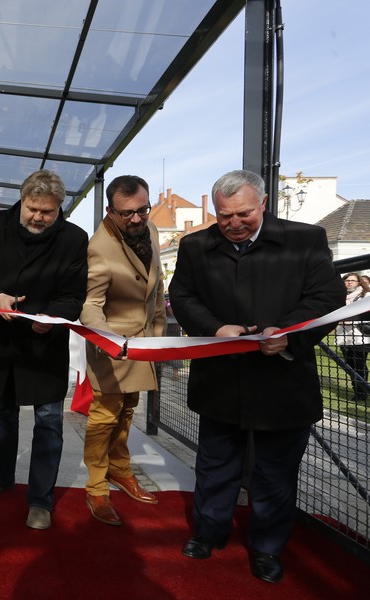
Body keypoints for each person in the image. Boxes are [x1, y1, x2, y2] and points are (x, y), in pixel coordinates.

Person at [168, 169, 345, 583]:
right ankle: (208, 531)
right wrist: (215, 328)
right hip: (221, 378)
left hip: (282, 380)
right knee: (215, 465)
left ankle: (267, 547)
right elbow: (182, 296)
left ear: (263, 203)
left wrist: (288, 333)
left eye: (243, 214)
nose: (233, 223)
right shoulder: (195, 246)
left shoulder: (305, 239)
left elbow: (327, 297)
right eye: (224, 216)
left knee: (275, 473)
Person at [0, 169, 88, 530]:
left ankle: (40, 499)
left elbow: (74, 295)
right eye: (32, 209)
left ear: (59, 207)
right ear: (22, 200)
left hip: (44, 344)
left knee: (48, 421)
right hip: (4, 341)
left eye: (47, 212)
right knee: (3, 413)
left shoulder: (73, 239)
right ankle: (2, 474)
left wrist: (52, 317)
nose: (38, 217)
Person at [80, 175, 166, 526]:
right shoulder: (99, 247)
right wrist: (105, 338)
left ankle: (120, 468)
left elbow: (157, 288)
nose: (137, 219)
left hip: (144, 342)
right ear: (110, 211)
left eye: (143, 210)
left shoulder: (152, 230)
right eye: (127, 213)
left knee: (129, 409)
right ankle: (96, 486)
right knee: (104, 417)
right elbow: (91, 304)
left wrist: (158, 335)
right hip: (112, 347)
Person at [335, 273, 369, 402]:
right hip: (343, 336)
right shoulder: (340, 297)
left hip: (360, 337)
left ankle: (361, 392)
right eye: (347, 280)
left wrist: (352, 320)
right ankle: (357, 389)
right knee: (349, 365)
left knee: (359, 365)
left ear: (359, 282)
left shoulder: (366, 296)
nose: (349, 282)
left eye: (353, 280)